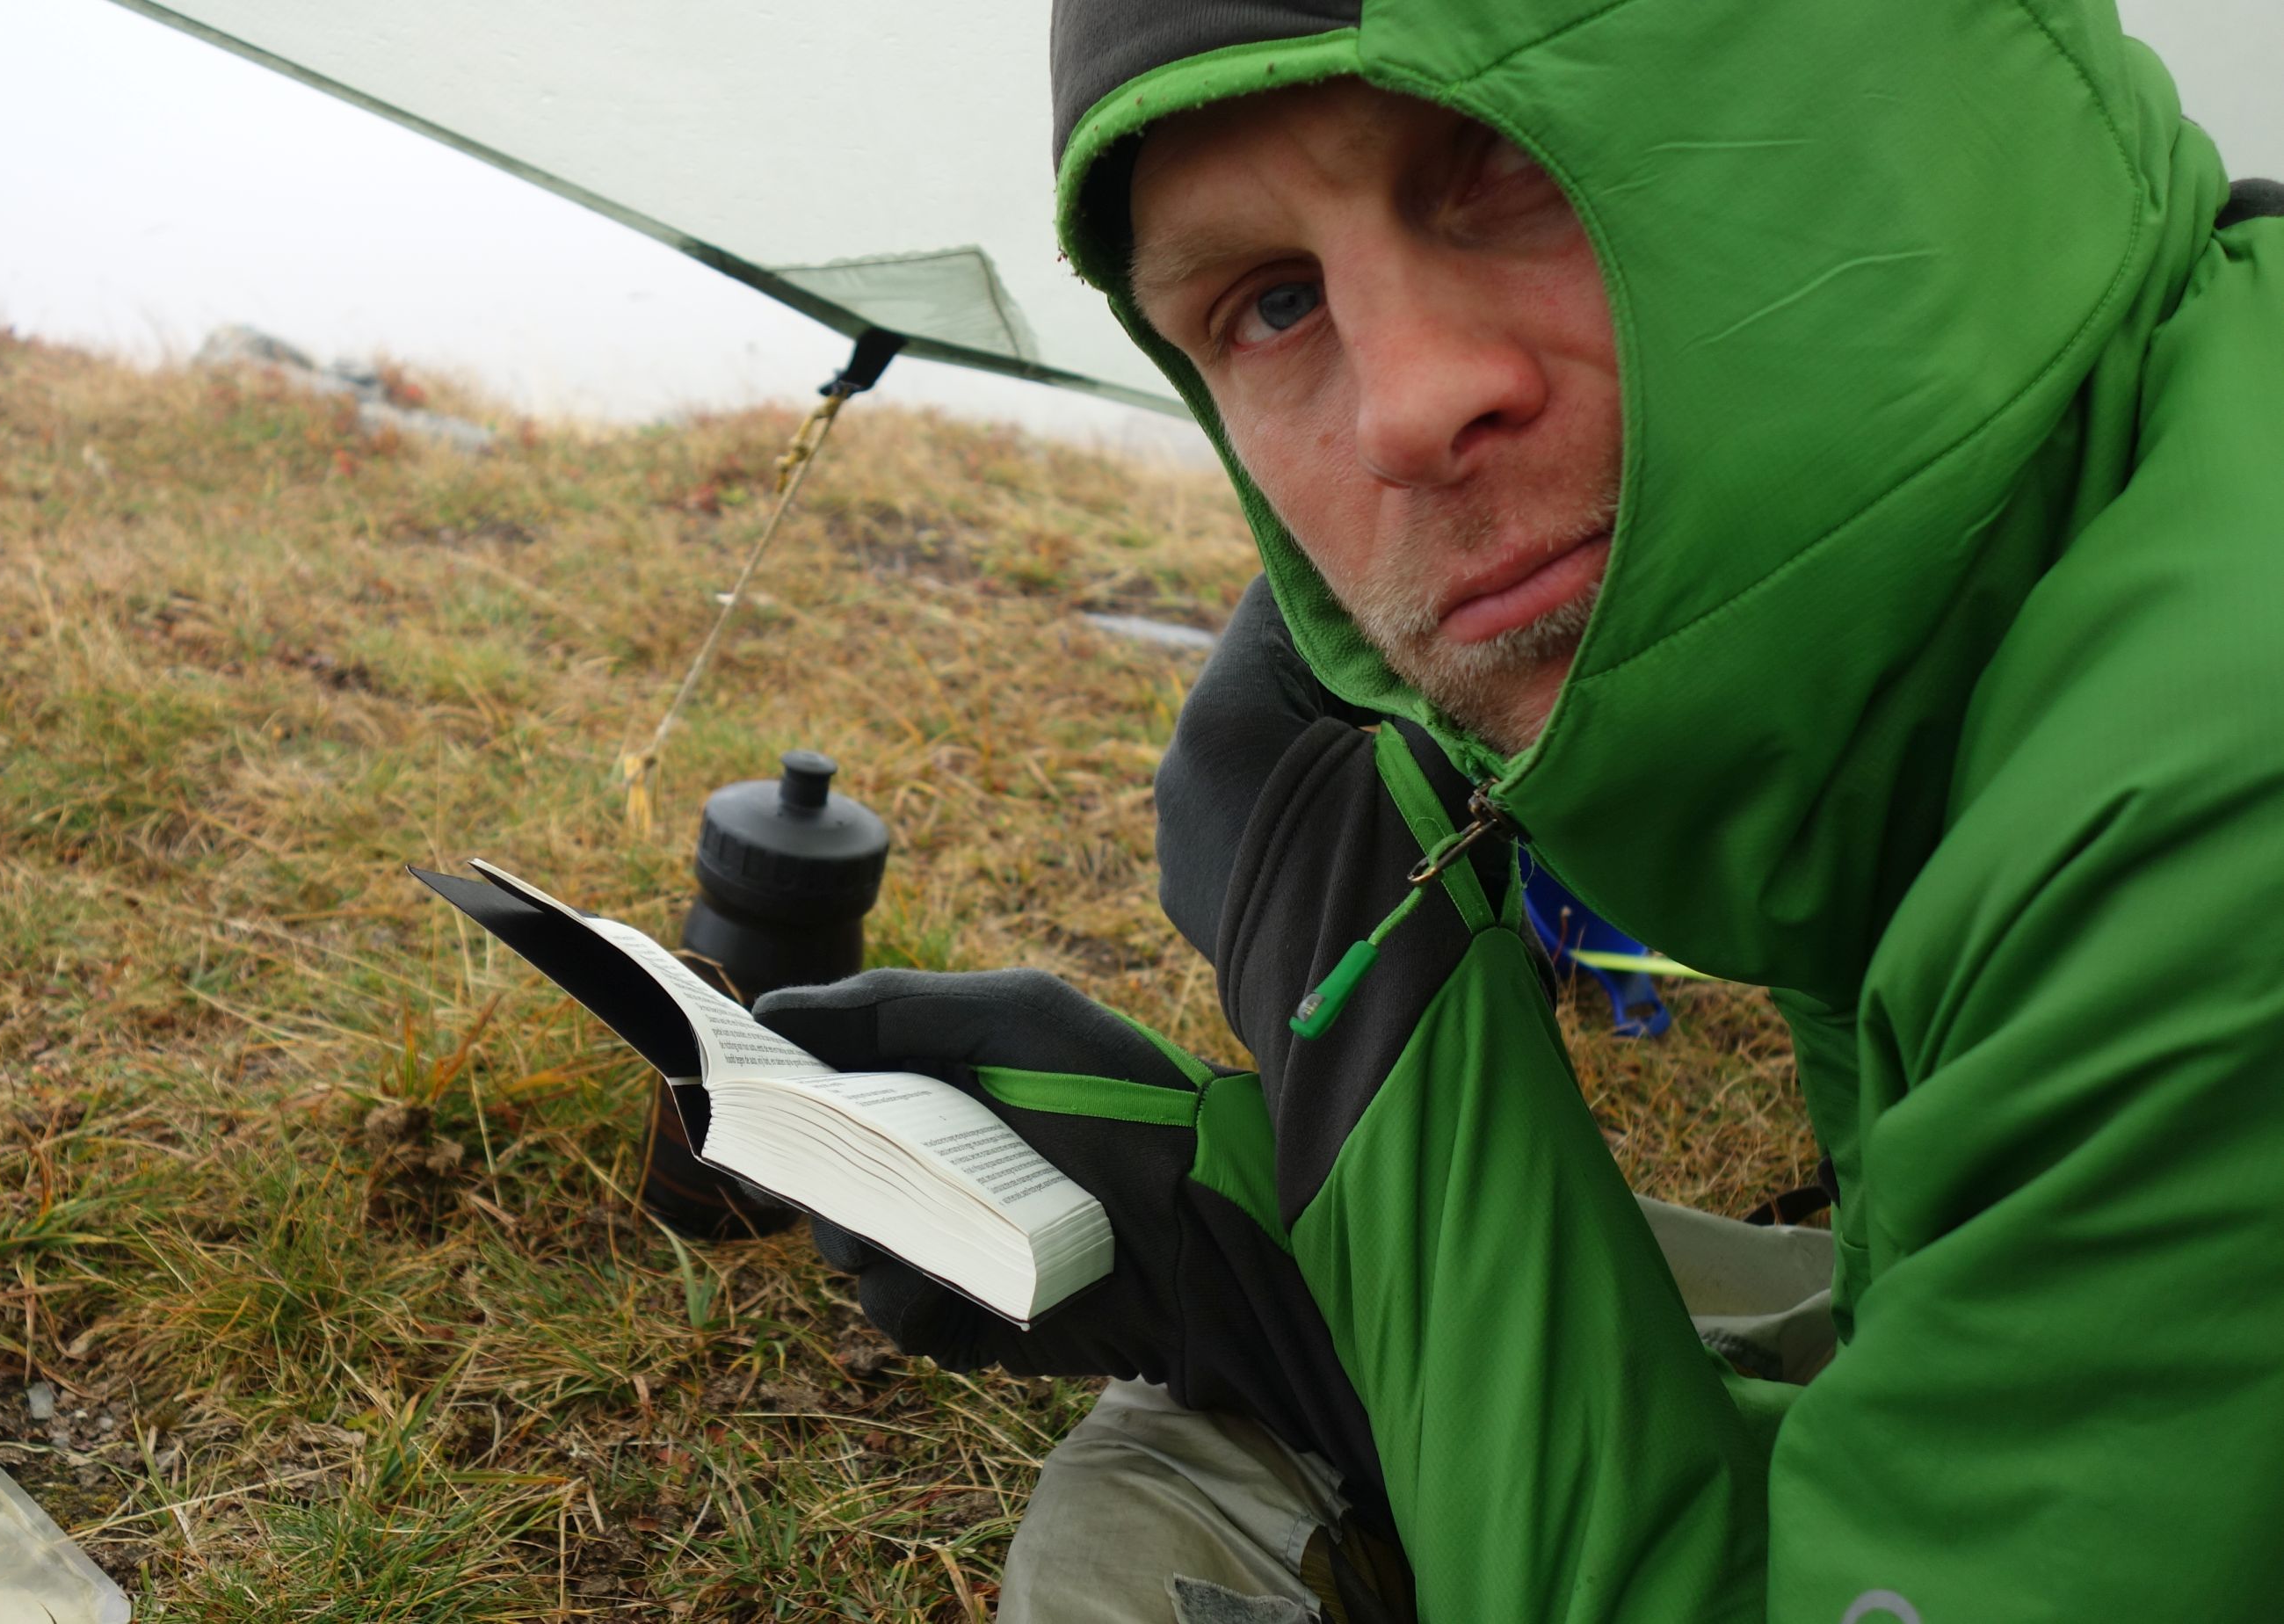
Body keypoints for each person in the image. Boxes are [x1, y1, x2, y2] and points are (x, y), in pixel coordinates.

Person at [754, 1, 2284, 1620]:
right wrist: (1237, 1242)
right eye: (1273, 303)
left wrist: (1358, 992)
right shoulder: (1939, 680)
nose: (1405, 409)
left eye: (1505, 167)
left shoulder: (2213, 811)